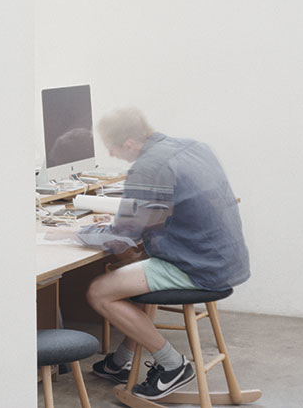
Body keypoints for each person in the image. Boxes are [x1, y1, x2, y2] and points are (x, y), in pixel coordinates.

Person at [78, 107, 250, 401]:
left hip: (197, 267)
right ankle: (121, 361)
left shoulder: (147, 166)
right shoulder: (194, 147)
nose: (113, 154)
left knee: (100, 291)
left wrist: (76, 233)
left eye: (113, 149)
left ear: (130, 143)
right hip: (225, 259)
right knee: (134, 264)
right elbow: (154, 217)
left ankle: (173, 366)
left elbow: (122, 237)